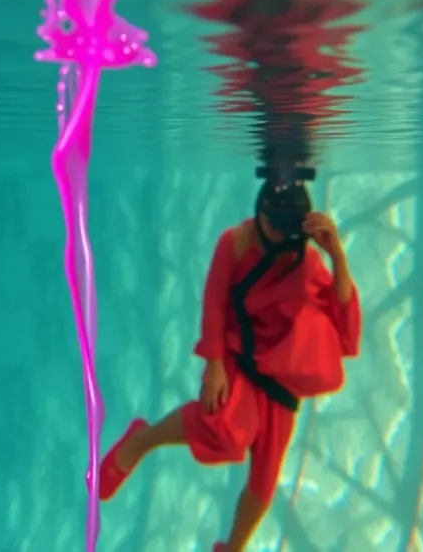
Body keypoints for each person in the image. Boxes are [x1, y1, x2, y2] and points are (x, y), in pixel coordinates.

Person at [96, 179, 361, 552]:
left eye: (288, 229)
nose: (280, 236)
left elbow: (344, 323)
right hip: (243, 359)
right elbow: (215, 302)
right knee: (223, 427)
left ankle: (233, 547)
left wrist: (338, 256)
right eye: (274, 225)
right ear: (261, 211)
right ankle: (143, 439)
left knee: (265, 482)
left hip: (283, 381)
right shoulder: (234, 243)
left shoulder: (307, 260)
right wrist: (215, 363)